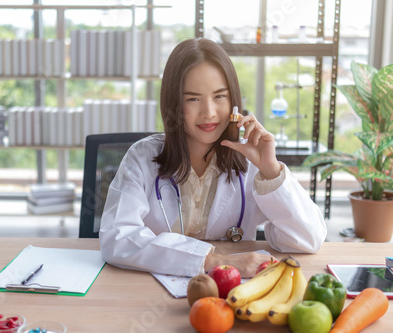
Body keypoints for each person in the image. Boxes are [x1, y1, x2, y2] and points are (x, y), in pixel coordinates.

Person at [99, 38, 326, 278]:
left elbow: (307, 239)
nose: (208, 112)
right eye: (193, 99)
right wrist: (215, 260)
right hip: (149, 291)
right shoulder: (142, 157)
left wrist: (270, 170)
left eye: (219, 96)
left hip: (228, 295)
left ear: (234, 103)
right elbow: (117, 238)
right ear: (174, 104)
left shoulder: (250, 163)